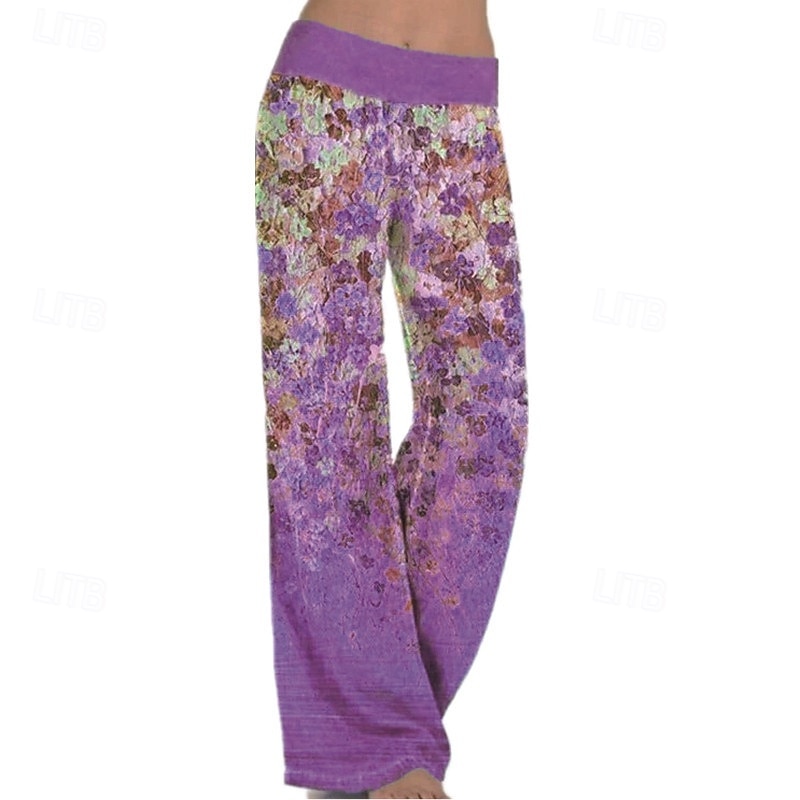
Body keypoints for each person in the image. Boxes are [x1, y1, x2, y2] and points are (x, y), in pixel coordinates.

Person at [254, 2, 528, 797]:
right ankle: (384, 752)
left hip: (460, 115)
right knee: (323, 426)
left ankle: (360, 742)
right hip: (323, 103)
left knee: (488, 418)